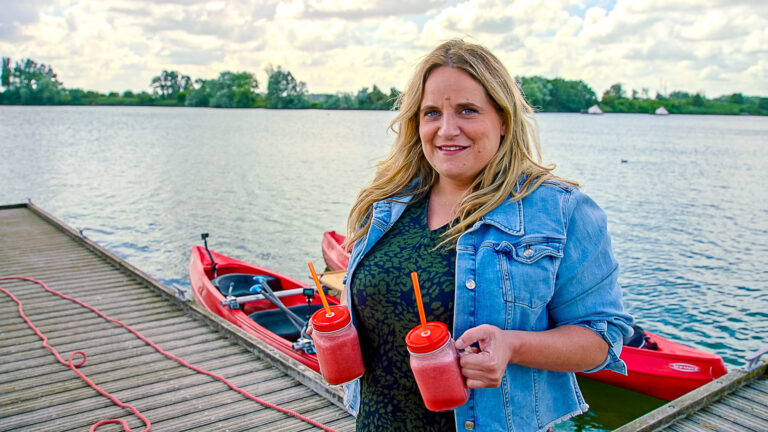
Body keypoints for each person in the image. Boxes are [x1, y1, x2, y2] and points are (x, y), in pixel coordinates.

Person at [339, 39, 634, 432]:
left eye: (467, 110)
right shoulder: (387, 204)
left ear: (503, 121)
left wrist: (512, 345)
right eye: (432, 113)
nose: (447, 129)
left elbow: (603, 338)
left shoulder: (561, 211)